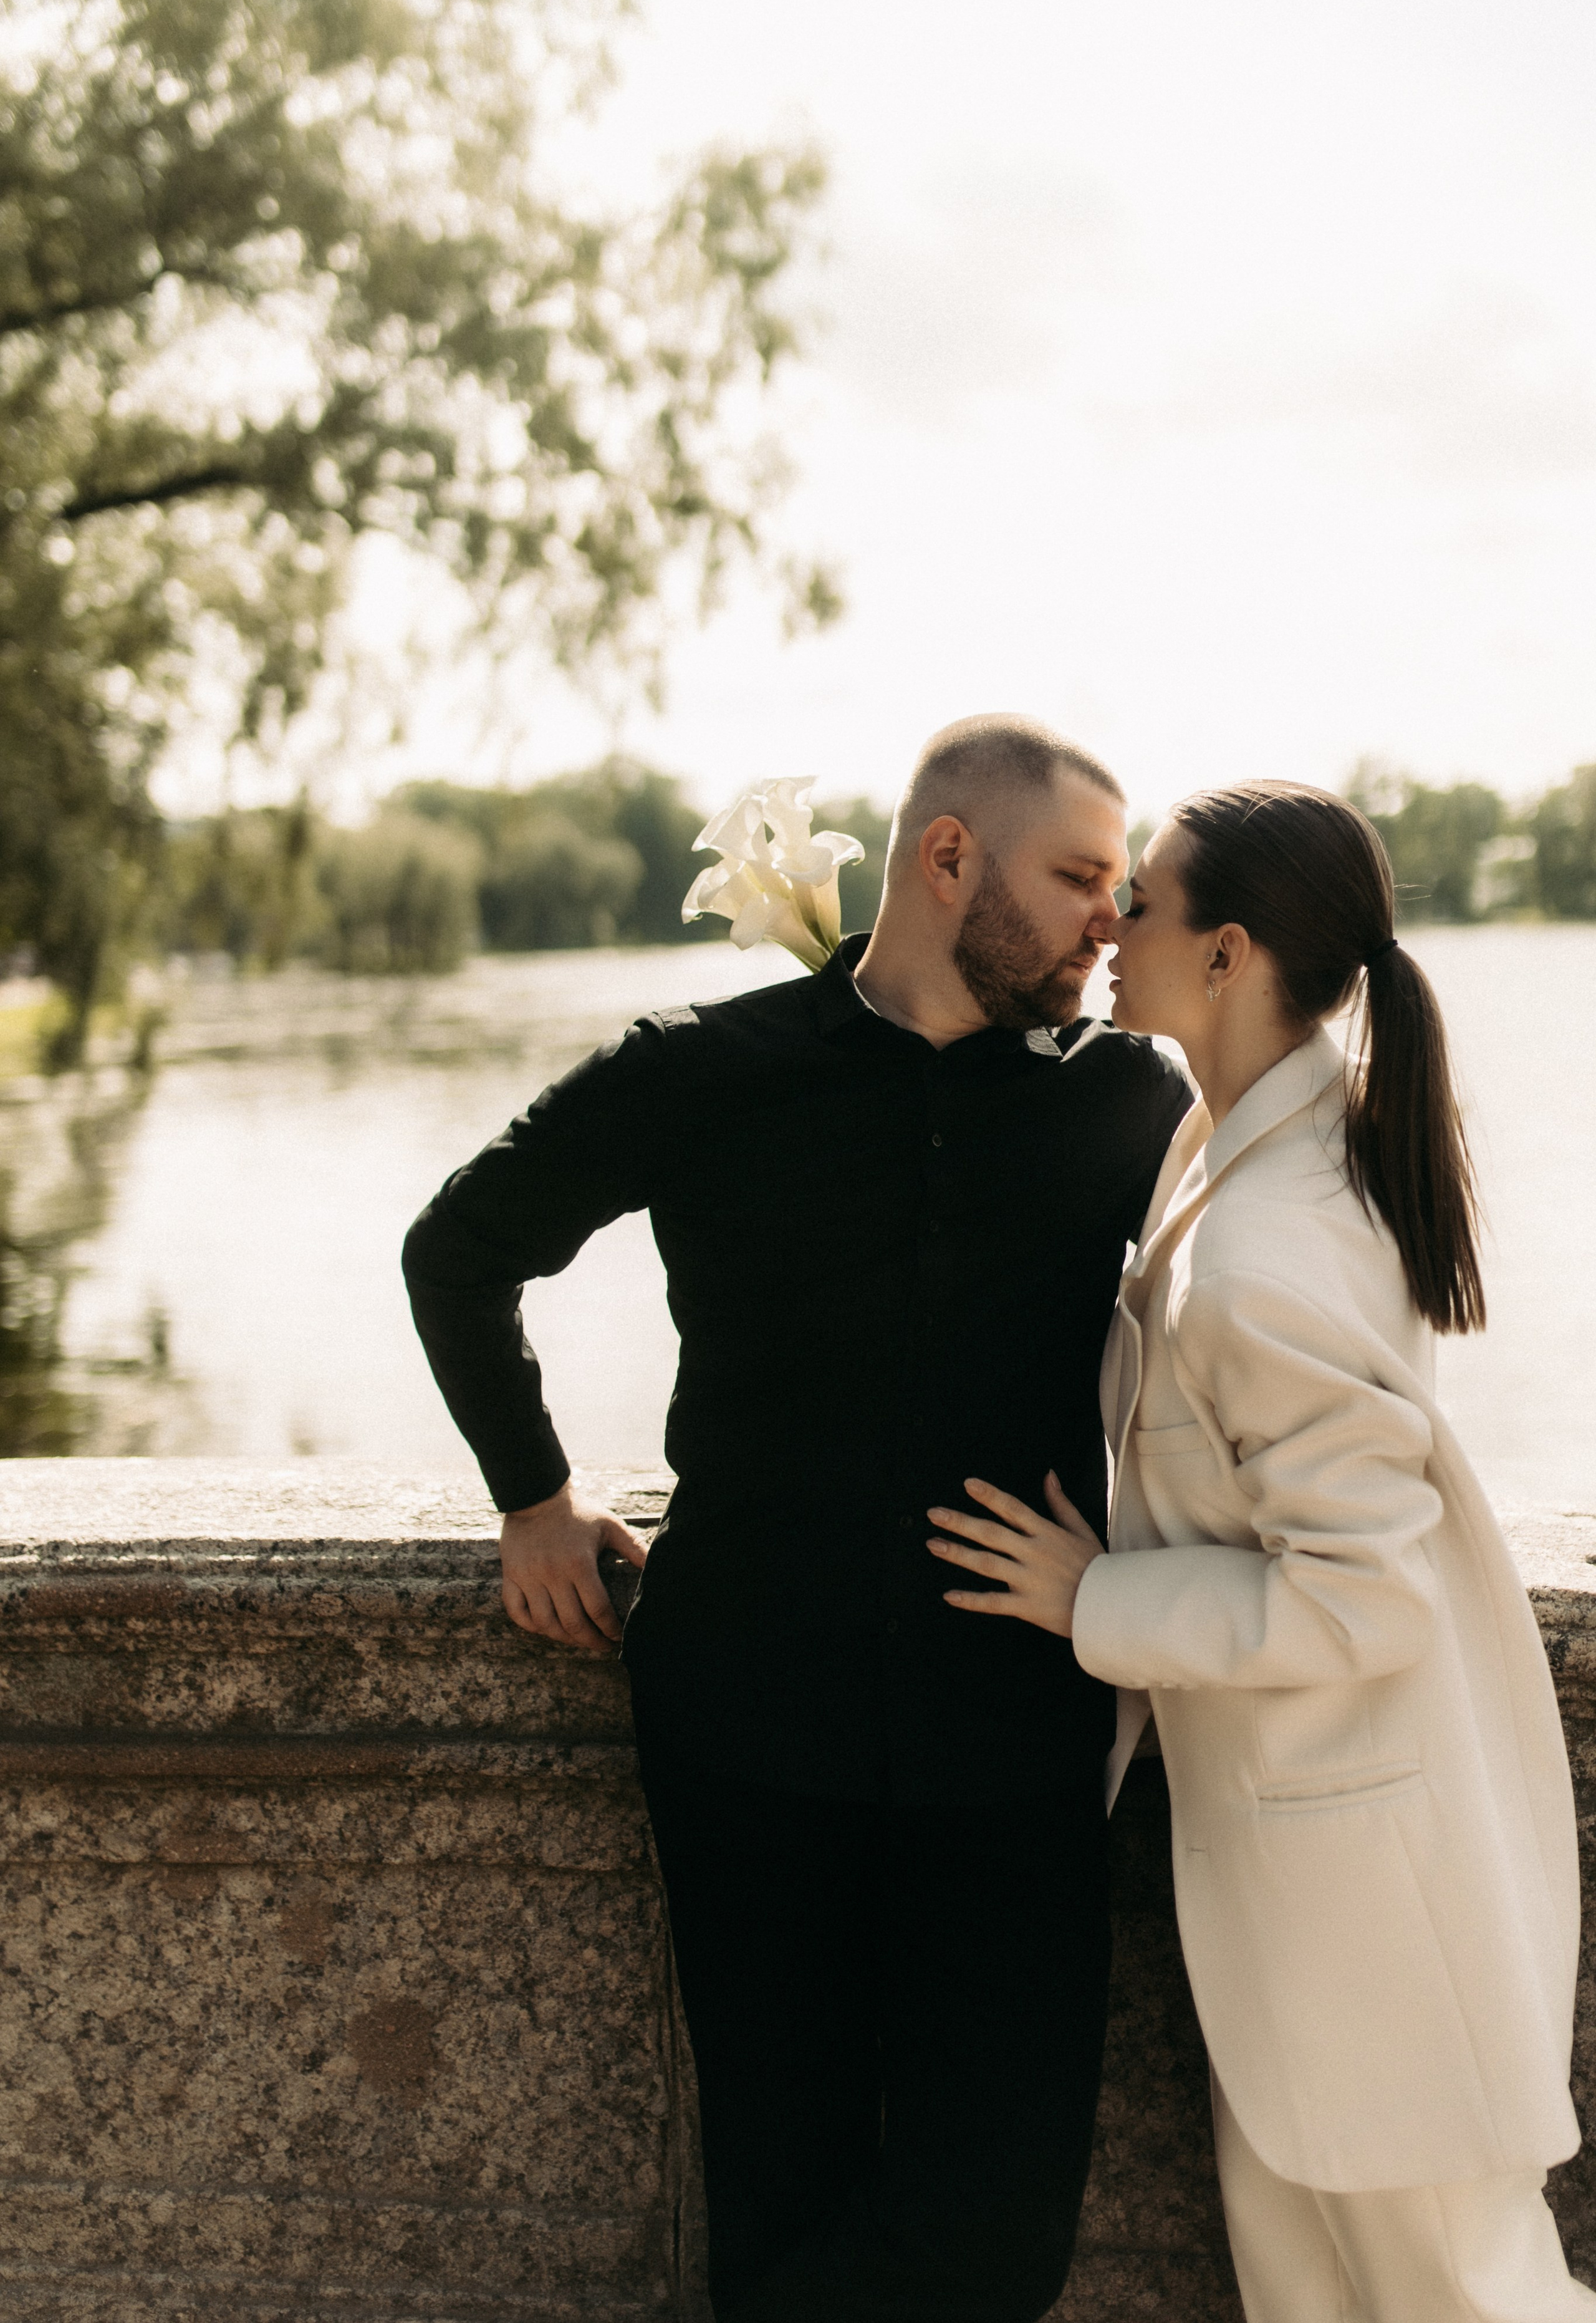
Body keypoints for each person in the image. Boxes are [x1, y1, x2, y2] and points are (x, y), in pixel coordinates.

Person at [401, 714, 1191, 2323]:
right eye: (1078, 878)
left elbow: (1269, 1313)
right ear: (945, 857)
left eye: (1119, 886)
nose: (1108, 919)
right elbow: (458, 1248)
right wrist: (533, 1496)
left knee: (1001, 2235)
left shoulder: (1127, 1101)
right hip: (745, 1732)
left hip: (1013, 1741)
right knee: (777, 2192)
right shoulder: (700, 1070)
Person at [931, 779, 1595, 2323]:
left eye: (1141, 903)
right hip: (1303, 1891)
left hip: (1369, 1899)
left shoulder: (1262, 1250)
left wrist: (1093, 1598)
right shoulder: (1237, 1152)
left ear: (1226, 955)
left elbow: (1362, 1594)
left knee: (1466, 2301)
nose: (1107, 924)